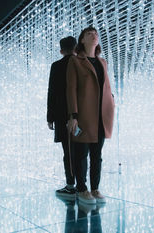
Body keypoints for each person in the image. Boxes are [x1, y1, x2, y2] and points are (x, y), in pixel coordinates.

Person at [66, 26, 115, 204]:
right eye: (89, 33)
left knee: (97, 154)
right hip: (85, 115)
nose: (94, 35)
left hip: (102, 115)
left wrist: (112, 100)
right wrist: (74, 115)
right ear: (82, 40)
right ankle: (82, 188)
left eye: (95, 33)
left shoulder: (103, 62)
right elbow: (71, 89)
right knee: (81, 154)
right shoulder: (76, 61)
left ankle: (95, 188)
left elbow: (106, 86)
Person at [47, 36, 77, 198]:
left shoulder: (57, 66)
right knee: (81, 151)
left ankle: (70, 185)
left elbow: (52, 91)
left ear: (61, 50)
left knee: (68, 151)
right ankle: (82, 185)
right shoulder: (82, 63)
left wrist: (50, 117)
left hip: (62, 115)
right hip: (81, 115)